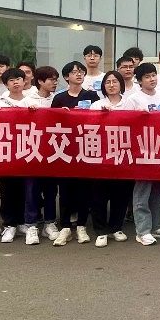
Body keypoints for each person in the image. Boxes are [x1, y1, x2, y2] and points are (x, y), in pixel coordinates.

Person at [48, 62, 101, 246]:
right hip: (65, 149)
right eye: (74, 72)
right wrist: (61, 115)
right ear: (66, 77)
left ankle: (81, 225)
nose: (78, 74)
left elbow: (99, 119)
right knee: (65, 190)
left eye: (81, 72)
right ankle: (64, 227)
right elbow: (50, 122)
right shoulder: (59, 98)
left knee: (84, 189)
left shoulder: (92, 96)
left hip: (86, 147)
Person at [121, 62, 160, 246]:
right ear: (140, 81)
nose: (152, 79)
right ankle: (142, 230)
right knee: (142, 191)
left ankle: (155, 225)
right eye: (147, 77)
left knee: (157, 192)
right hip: (141, 150)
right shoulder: (133, 99)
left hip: (159, 149)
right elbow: (125, 125)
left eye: (153, 75)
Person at [89, 70, 132, 247]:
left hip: (124, 156)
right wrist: (102, 116)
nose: (112, 85)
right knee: (99, 195)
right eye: (108, 82)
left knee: (121, 194)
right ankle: (100, 231)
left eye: (115, 81)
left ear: (121, 84)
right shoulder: (97, 105)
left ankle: (116, 227)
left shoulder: (130, 103)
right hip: (101, 157)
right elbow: (89, 128)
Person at [0, 67, 33, 243]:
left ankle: (23, 221)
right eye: (11, 80)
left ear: (24, 82)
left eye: (19, 79)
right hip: (6, 152)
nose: (16, 83)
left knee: (25, 189)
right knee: (7, 189)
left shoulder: (32, 102)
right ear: (6, 84)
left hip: (28, 151)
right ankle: (9, 224)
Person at [25, 66, 61, 241]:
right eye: (51, 79)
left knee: (51, 190)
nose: (54, 83)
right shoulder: (27, 100)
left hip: (53, 151)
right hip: (33, 151)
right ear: (40, 81)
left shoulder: (57, 99)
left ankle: (49, 222)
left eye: (56, 80)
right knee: (31, 189)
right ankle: (31, 225)